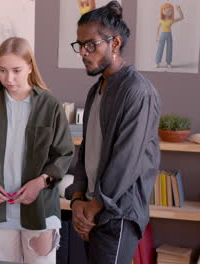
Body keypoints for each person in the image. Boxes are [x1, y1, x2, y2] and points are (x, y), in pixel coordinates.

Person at [66, 1, 161, 263]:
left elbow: (126, 161)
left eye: (90, 44)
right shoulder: (96, 90)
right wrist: (77, 200)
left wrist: (93, 209)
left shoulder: (137, 92)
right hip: (91, 210)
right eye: (80, 45)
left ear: (115, 44)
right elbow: (87, 150)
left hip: (117, 214)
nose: (83, 52)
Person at [0, 37, 74, 264]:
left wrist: (40, 182)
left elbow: (64, 153)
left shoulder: (50, 106)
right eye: (3, 70)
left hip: (40, 211)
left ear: (29, 66)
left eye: (16, 70)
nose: (9, 78)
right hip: (0, 210)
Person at [155, 3, 184, 68]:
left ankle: (168, 62)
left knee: (169, 48)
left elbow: (182, 17)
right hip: (162, 34)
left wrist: (179, 9)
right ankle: (157, 62)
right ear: (162, 11)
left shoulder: (171, 20)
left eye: (170, 11)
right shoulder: (161, 20)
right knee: (160, 48)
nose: (168, 12)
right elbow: (158, 28)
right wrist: (157, 36)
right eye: (166, 10)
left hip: (169, 35)